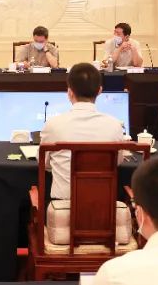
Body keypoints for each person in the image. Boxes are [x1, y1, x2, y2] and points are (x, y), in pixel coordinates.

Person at [40, 62, 125, 199]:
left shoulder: (53, 124)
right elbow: (117, 162)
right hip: (104, 205)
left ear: (69, 92)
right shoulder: (115, 125)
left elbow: (43, 162)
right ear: (99, 91)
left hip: (63, 205)